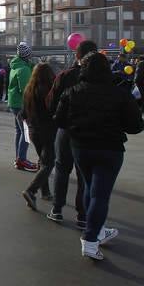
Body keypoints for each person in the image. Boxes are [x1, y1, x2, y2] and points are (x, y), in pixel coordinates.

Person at [55, 52, 143, 260]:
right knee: (100, 195)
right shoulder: (120, 94)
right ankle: (91, 238)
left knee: (90, 188)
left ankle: (97, 229)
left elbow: (59, 120)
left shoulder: (72, 92)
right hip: (110, 149)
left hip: (81, 147)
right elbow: (135, 126)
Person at [46, 40, 97, 226]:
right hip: (89, 131)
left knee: (61, 169)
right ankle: (82, 214)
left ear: (77, 55)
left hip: (66, 128)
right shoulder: (101, 78)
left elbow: (50, 102)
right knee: (84, 173)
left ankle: (57, 209)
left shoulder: (65, 76)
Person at [20, 63, 56, 210]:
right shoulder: (48, 90)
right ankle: (31, 190)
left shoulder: (29, 90)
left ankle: (45, 192)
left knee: (43, 160)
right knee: (49, 162)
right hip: (47, 130)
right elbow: (53, 110)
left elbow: (22, 113)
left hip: (34, 131)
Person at [8, 42, 36, 172]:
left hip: (14, 102)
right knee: (25, 132)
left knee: (19, 131)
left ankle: (19, 157)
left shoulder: (16, 65)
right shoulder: (24, 69)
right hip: (21, 104)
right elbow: (26, 89)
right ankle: (22, 159)